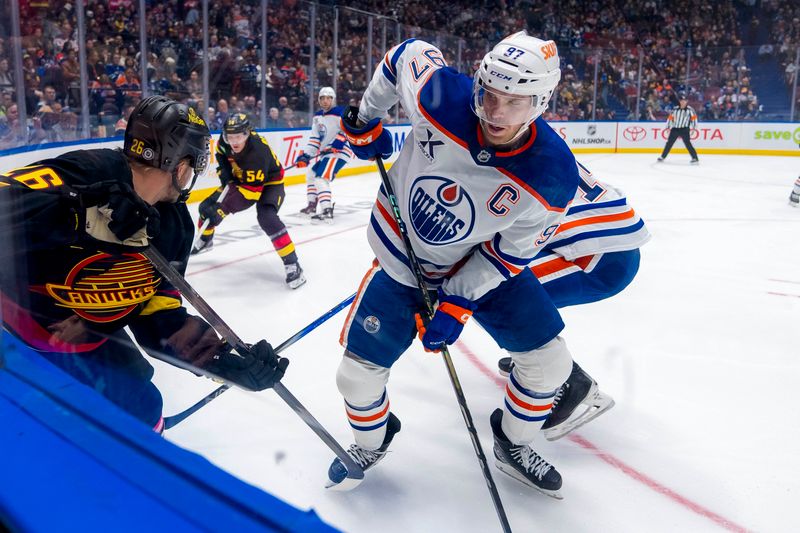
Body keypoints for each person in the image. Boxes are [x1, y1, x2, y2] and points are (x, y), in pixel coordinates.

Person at [327, 32, 580, 499]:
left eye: (515, 102)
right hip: (405, 265)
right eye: (490, 94)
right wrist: (365, 119)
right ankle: (372, 439)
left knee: (551, 365)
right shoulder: (442, 97)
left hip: (482, 270)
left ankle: (514, 442)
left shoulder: (553, 175)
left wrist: (457, 301)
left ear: (541, 102)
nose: (495, 112)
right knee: (355, 377)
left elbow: (508, 253)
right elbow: (404, 54)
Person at [0, 96, 288, 431]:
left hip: (88, 332)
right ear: (181, 167)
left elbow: (158, 316)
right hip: (19, 331)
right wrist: (79, 214)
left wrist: (222, 361)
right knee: (133, 410)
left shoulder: (175, 226)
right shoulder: (86, 172)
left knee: (142, 397)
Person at [496, 161, 650, 440]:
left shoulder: (496, 151)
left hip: (601, 258)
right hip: (610, 239)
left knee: (496, 293)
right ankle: (536, 357)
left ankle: (572, 382)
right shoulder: (528, 134)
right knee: (503, 288)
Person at [192, 113, 306, 289]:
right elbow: (221, 154)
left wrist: (223, 209)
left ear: (247, 133)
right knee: (205, 207)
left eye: (239, 136)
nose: (235, 141)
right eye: (231, 137)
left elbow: (250, 195)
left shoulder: (257, 152)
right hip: (241, 180)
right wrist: (226, 174)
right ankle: (206, 240)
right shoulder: (225, 142)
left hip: (269, 183)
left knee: (266, 217)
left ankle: (292, 263)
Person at [295, 87, 353, 223]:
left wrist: (339, 141)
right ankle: (311, 205)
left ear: (333, 99)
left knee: (321, 179)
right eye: (322, 98)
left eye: (328, 98)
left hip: (340, 153)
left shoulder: (341, 113)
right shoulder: (317, 117)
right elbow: (315, 139)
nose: (325, 101)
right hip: (327, 154)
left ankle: (327, 210)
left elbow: (350, 128)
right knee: (310, 174)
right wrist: (306, 155)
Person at [657, 93, 699, 164]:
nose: (683, 102)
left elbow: (694, 119)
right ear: (679, 101)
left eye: (684, 100)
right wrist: (668, 127)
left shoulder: (690, 110)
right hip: (675, 129)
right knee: (669, 143)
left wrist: (694, 128)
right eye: (681, 100)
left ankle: (695, 157)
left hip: (685, 129)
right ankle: (663, 156)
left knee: (688, 143)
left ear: (687, 101)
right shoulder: (675, 109)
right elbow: (670, 118)